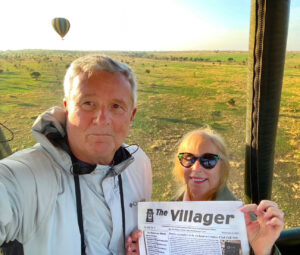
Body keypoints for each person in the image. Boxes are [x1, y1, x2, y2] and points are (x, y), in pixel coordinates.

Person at [0, 54, 152, 255]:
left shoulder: (139, 165)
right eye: (88, 103)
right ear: (67, 107)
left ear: (131, 116)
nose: (102, 119)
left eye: (116, 106)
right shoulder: (24, 177)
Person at [126, 128, 284, 255]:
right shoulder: (163, 216)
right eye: (188, 158)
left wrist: (263, 250)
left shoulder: (247, 222)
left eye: (208, 160)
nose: (196, 168)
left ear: (222, 167)